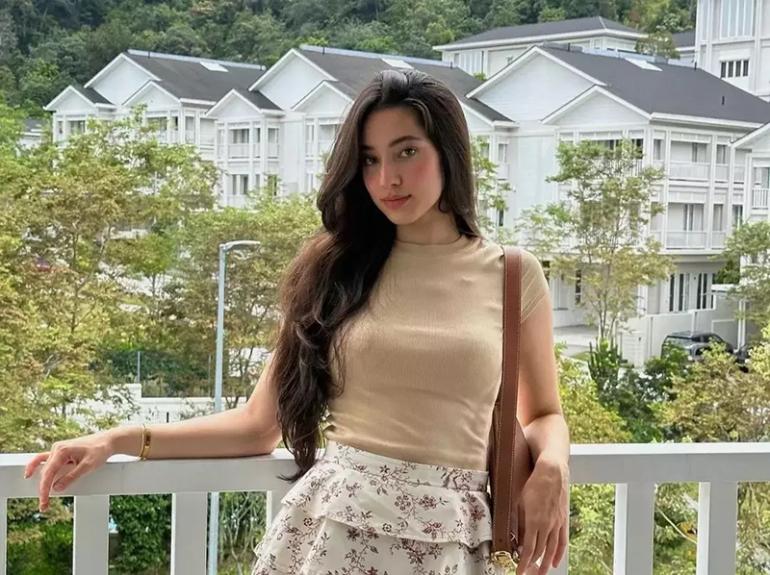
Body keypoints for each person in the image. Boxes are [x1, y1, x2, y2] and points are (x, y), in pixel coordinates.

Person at [25, 69, 570, 575]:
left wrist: (552, 467)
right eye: (370, 160)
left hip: (451, 544)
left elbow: (544, 412)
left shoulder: (512, 275)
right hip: (331, 536)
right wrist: (118, 438)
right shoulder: (336, 269)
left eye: (407, 151)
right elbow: (256, 426)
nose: (388, 178)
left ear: (449, 153)